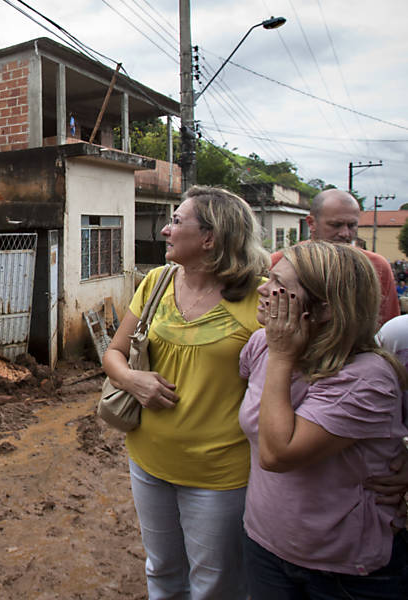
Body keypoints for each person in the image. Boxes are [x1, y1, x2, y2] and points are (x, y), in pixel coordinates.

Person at [102, 186, 268, 599]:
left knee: (215, 584)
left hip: (219, 475)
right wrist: (131, 380)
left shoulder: (260, 297)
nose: (164, 230)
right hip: (148, 462)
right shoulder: (156, 282)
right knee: (161, 570)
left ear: (210, 238)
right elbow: (114, 354)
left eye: (176, 221)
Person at [238, 241, 408, 598]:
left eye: (278, 285)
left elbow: (277, 454)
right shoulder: (261, 345)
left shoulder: (367, 378)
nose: (262, 289)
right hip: (266, 544)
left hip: (343, 569)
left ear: (325, 309)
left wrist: (282, 357)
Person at [270, 188, 399, 326]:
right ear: (311, 223)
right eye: (335, 225)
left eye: (352, 225)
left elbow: (389, 327)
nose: (345, 233)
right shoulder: (282, 263)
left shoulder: (376, 266)